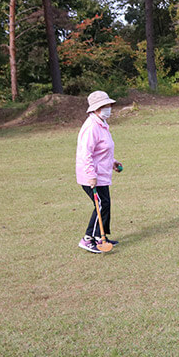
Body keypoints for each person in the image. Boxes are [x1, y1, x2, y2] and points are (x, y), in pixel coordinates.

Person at [76, 91, 122, 253]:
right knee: (101, 205)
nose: (108, 108)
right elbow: (85, 154)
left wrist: (113, 162)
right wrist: (91, 175)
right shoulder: (91, 127)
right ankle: (88, 238)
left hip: (101, 174)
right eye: (104, 106)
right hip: (91, 176)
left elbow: (102, 150)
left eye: (108, 105)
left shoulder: (101, 123)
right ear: (95, 109)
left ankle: (100, 236)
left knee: (105, 204)